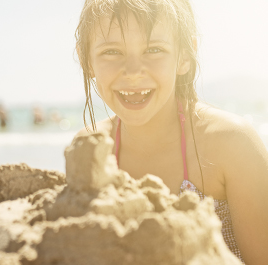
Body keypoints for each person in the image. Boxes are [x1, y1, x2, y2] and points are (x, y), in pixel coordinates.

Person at [74, 0, 268, 263]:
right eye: (112, 52)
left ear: (184, 57)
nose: (132, 71)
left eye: (154, 49)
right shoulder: (91, 148)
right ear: (86, 58)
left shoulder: (232, 144)